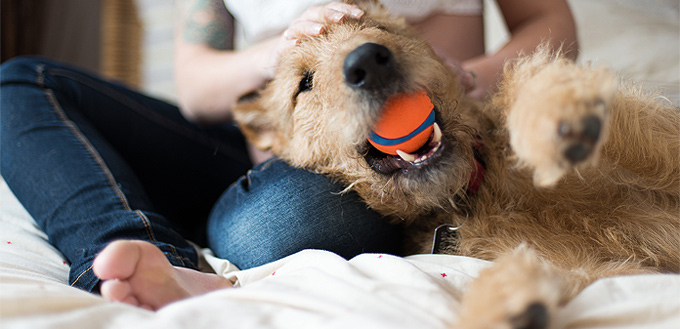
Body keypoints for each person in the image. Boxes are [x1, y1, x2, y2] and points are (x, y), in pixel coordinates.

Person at [0, 0, 577, 311]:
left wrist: (463, 76)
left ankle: (236, 237)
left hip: (416, 153)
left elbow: (552, 26)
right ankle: (151, 255)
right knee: (21, 85)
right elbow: (196, 88)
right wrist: (278, 55)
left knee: (289, 217)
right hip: (262, 153)